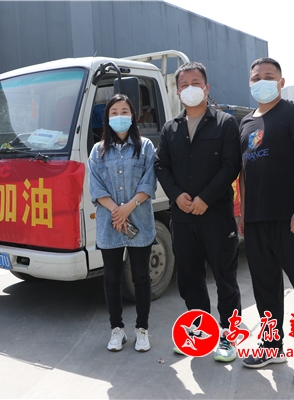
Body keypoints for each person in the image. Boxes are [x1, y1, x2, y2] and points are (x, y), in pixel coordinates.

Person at [238, 57, 294, 383]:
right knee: (265, 289)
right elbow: (244, 174)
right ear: (250, 83)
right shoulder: (245, 124)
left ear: (281, 82)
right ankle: (272, 345)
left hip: (291, 219)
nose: (261, 81)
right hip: (257, 221)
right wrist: (244, 215)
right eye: (256, 77)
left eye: (268, 76)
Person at [154, 62, 242, 362]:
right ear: (178, 92)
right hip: (182, 217)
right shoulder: (171, 128)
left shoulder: (224, 124)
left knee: (224, 277)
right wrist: (176, 195)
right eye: (184, 84)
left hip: (216, 215)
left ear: (206, 88)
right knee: (189, 278)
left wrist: (205, 198)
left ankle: (228, 336)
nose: (190, 88)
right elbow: (161, 166)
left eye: (195, 83)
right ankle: (200, 332)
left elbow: (231, 165)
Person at [88, 93, 157, 353]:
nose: (119, 116)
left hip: (139, 219)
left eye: (124, 111)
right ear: (107, 118)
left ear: (133, 116)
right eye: (114, 112)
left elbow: (149, 182)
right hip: (110, 223)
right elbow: (96, 186)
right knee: (111, 278)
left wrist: (128, 207)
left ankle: (142, 329)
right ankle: (116, 329)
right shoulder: (98, 150)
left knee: (141, 278)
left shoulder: (146, 146)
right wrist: (116, 211)